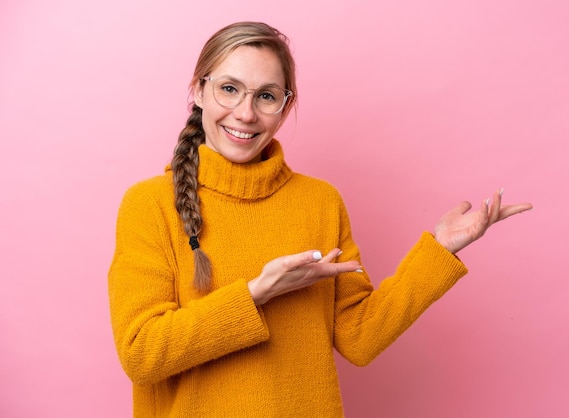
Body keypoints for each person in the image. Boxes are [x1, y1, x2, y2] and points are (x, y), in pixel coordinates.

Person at [108, 21, 533, 417]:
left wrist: (437, 253)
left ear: (286, 106)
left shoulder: (320, 202)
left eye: (266, 96)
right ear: (199, 91)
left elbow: (359, 337)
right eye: (229, 89)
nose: (245, 113)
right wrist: (256, 293)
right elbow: (141, 352)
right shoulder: (149, 204)